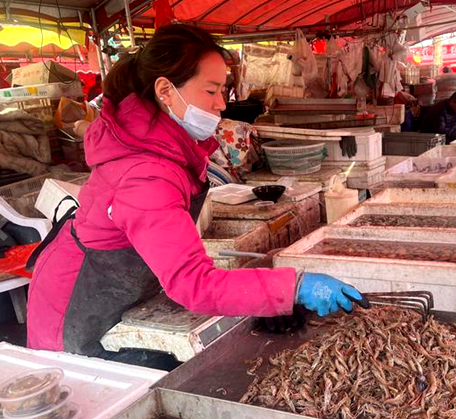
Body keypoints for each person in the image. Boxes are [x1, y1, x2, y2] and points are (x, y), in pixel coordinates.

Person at [26, 24, 367, 363]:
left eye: (224, 90)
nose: (221, 104)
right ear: (165, 90)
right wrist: (295, 287)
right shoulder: (146, 174)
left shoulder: (166, 143)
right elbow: (193, 283)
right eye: (211, 90)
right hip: (75, 305)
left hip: (118, 287)